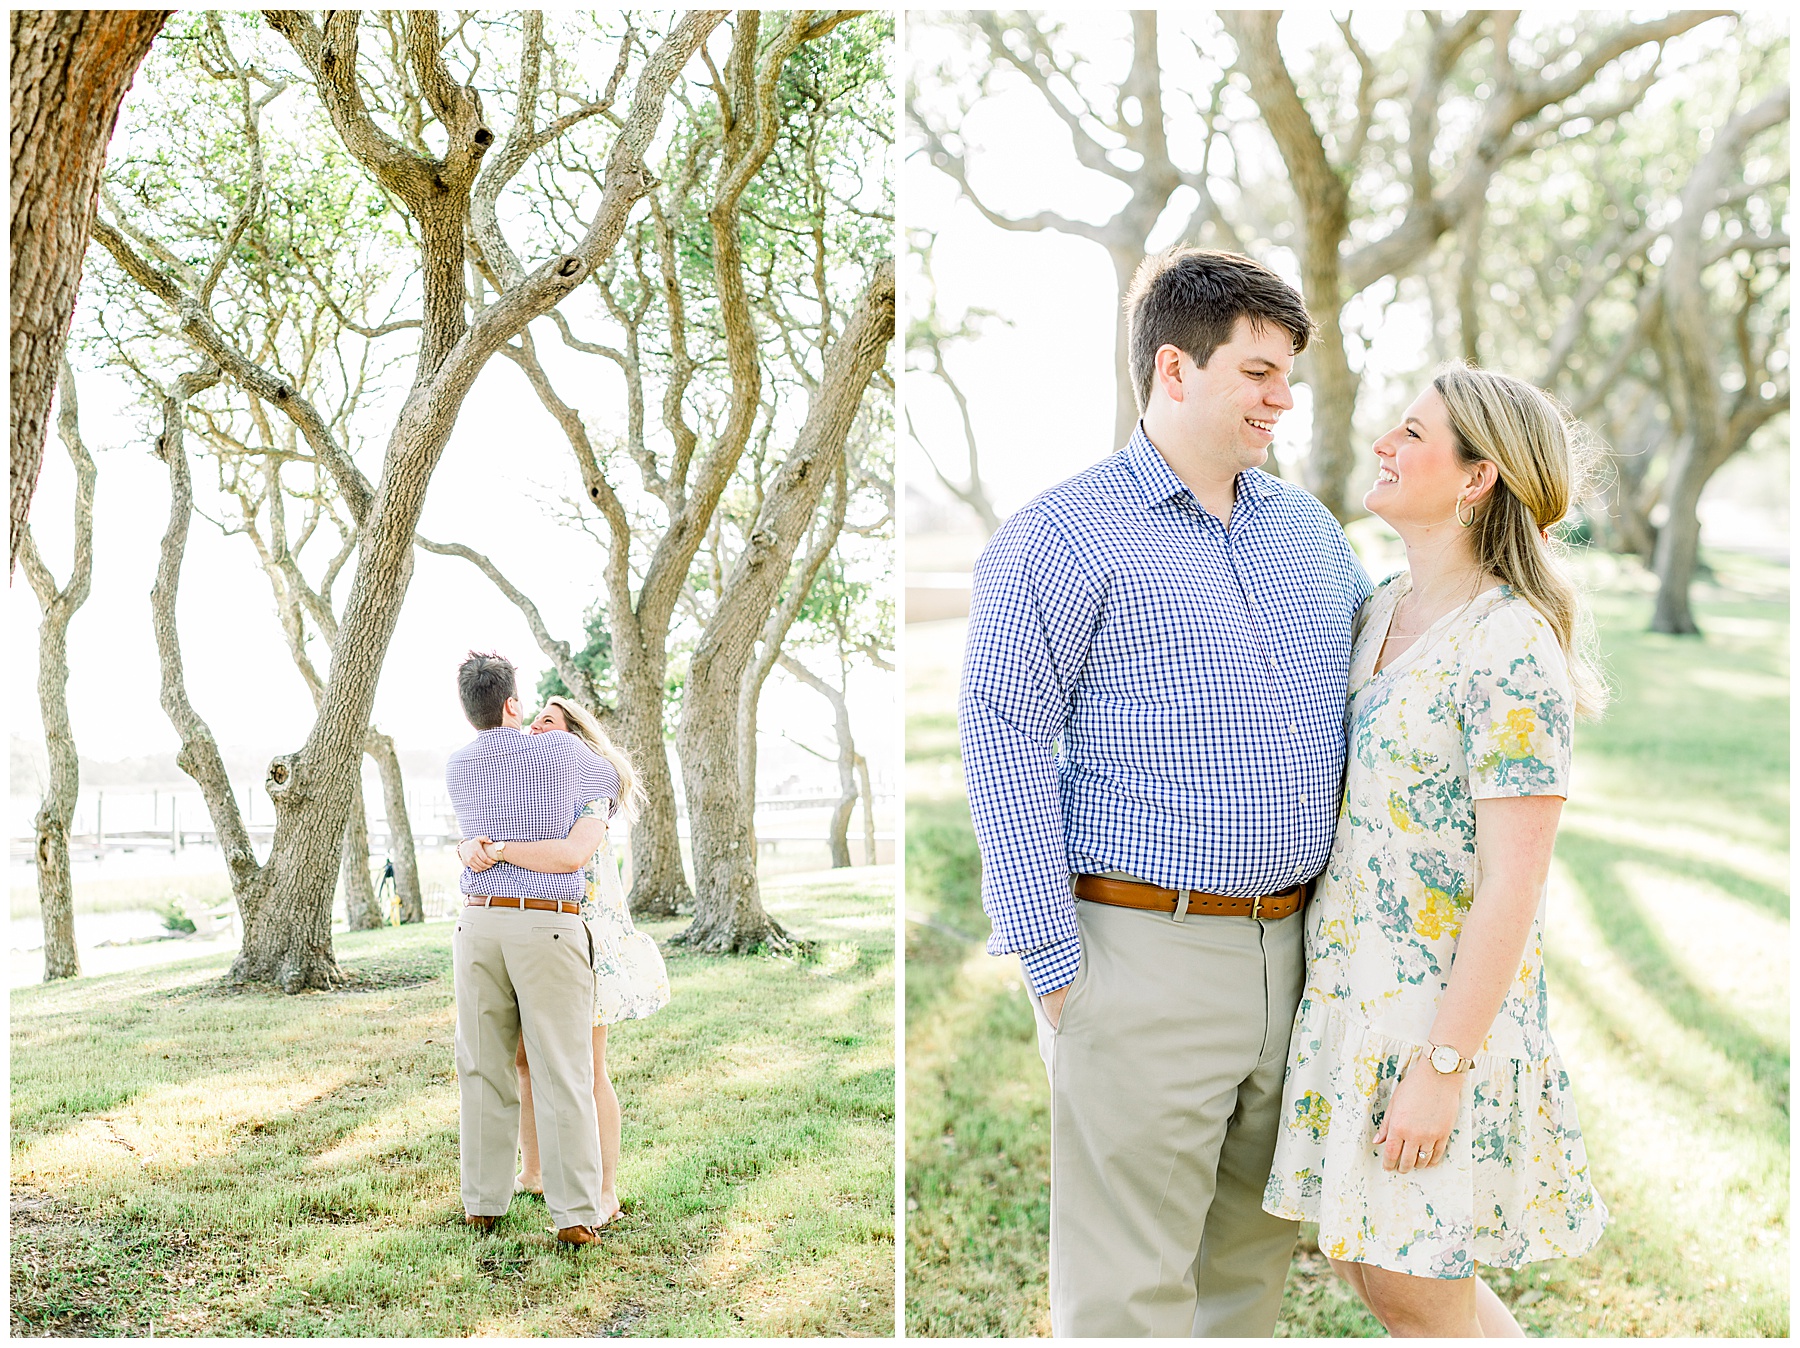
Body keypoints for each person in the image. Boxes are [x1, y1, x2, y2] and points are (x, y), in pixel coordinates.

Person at [959, 247, 1372, 1337]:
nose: (1283, 399)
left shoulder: (1311, 535)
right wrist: (1056, 967)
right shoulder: (1060, 536)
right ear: (1175, 371)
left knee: (1248, 1272)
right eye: (1259, 372)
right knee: (1128, 1298)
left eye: (1288, 375)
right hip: (1137, 956)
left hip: (1296, 953)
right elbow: (1001, 739)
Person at [1261, 365, 1610, 1336]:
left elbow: (1515, 880)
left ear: (1475, 478)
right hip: (1351, 1005)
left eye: (1411, 433)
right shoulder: (1377, 609)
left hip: (1436, 1025)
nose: (1384, 444)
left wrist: (1442, 1066)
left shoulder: (1509, 644)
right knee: (1378, 1274)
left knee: (1416, 1287)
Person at [459, 694, 669, 1229]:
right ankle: (533, 1173)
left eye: (548, 721)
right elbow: (479, 834)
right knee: (525, 1062)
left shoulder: (589, 792)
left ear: (574, 734)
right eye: (533, 720)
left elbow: (569, 855)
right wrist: (469, 849)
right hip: (534, 931)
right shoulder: (532, 784)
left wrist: (500, 850)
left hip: (584, 934)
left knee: (584, 1070)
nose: (535, 728)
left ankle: (602, 1191)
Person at [445, 652, 619, 1246]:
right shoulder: (562, 753)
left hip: (477, 924)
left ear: (470, 710)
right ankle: (574, 1214)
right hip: (546, 923)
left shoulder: (458, 765)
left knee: (481, 1064)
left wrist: (491, 846)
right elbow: (613, 782)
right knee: (562, 1069)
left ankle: (483, 1204)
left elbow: (475, 839)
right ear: (513, 704)